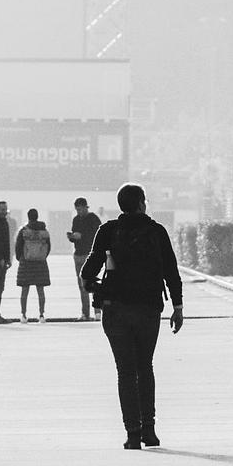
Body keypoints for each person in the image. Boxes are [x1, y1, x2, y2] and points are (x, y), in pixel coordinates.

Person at [80, 182, 183, 449]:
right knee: (144, 367)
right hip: (148, 308)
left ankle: (132, 434)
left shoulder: (108, 231)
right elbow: (171, 272)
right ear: (140, 203)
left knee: (125, 371)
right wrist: (178, 307)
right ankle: (149, 430)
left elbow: (87, 273)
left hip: (115, 311)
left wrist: (100, 289)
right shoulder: (157, 232)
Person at [67, 196, 101, 320]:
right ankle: (85, 313)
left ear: (86, 207)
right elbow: (75, 233)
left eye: (81, 209)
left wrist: (82, 236)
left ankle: (97, 312)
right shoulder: (76, 220)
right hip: (78, 254)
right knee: (82, 285)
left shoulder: (93, 219)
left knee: (92, 282)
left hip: (90, 254)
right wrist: (72, 237)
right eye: (77, 210)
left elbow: (98, 236)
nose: (79, 212)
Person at [15, 208, 51, 322]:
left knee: (24, 290)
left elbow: (18, 246)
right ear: (37, 216)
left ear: (28, 217)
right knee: (40, 290)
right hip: (40, 263)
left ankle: (24, 315)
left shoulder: (24, 231)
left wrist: (20, 257)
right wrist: (42, 256)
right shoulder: (44, 231)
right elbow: (48, 246)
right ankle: (41, 315)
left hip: (26, 263)